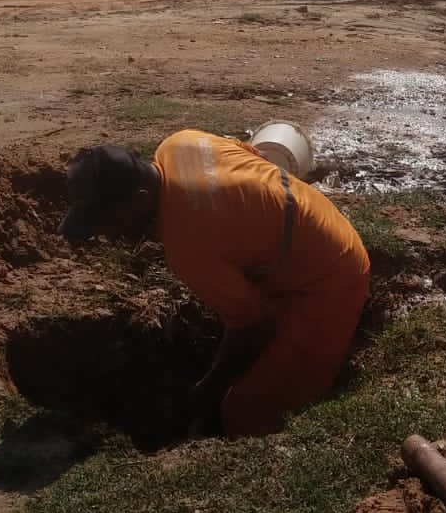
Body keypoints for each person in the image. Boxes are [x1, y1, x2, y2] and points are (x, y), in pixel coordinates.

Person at [58, 129, 371, 438]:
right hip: (318, 220)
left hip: (331, 281)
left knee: (244, 412)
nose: (109, 236)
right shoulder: (178, 143)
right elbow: (254, 156)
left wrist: (208, 388)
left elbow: (251, 326)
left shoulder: (188, 244)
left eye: (108, 223)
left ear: (140, 200)